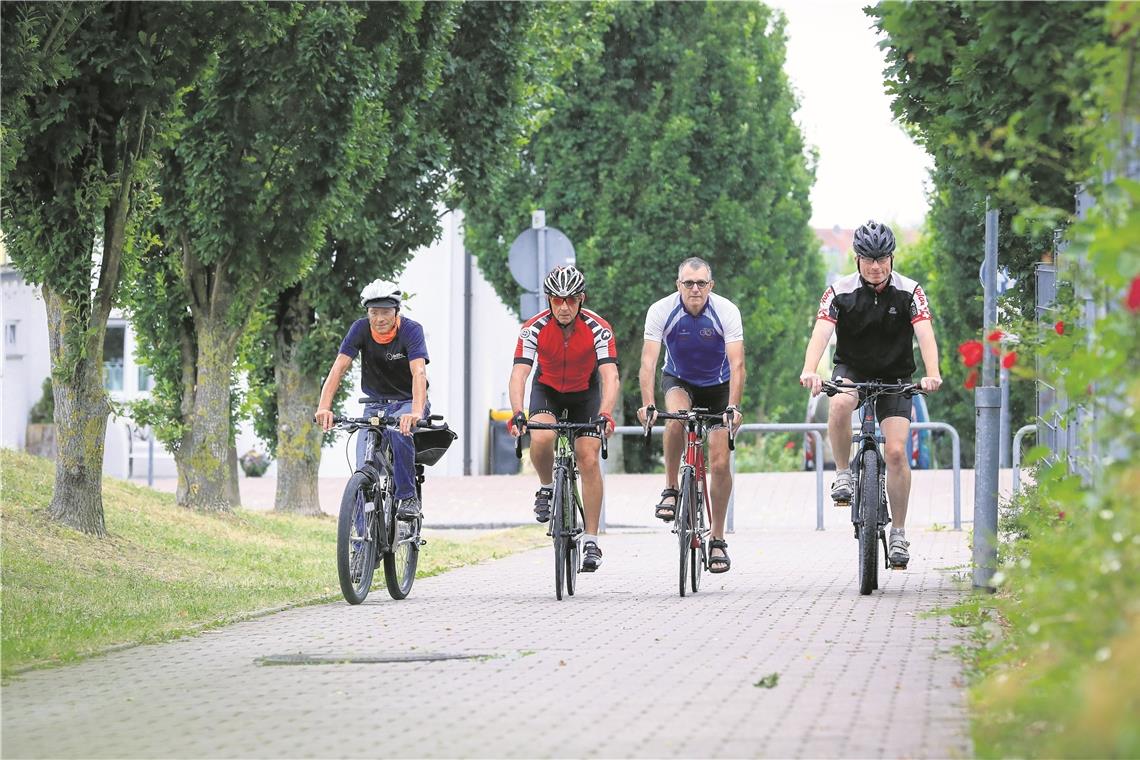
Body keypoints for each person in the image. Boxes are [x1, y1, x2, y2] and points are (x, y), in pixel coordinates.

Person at [798, 220, 942, 568]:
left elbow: (924, 333)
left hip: (896, 376)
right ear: (857, 259)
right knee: (841, 402)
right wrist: (809, 369)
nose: (876, 267)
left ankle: (899, 534)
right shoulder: (839, 291)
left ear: (891, 258)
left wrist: (932, 374)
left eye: (883, 259)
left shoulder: (910, 291)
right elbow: (821, 332)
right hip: (853, 370)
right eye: (868, 259)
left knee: (894, 452)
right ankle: (844, 473)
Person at [508, 265, 619, 572]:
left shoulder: (599, 328)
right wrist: (518, 412)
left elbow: (609, 375)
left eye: (571, 300)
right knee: (542, 436)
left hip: (585, 393)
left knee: (588, 457)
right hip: (548, 390)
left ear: (581, 299)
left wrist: (605, 412)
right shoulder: (533, 328)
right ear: (549, 301)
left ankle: (592, 539)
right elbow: (520, 374)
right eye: (558, 300)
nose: (564, 307)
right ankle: (546, 486)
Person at [638, 257, 745, 574]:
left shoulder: (725, 311)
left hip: (719, 386)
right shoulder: (661, 310)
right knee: (675, 418)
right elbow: (648, 363)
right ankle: (671, 488)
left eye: (701, 283)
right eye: (688, 283)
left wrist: (734, 407)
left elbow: (737, 364)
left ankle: (718, 538)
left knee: (721, 461)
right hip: (679, 380)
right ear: (678, 285)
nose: (695, 289)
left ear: (711, 286)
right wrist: (647, 404)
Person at [315, 279, 430, 521]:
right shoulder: (360, 329)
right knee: (362, 468)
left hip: (407, 401)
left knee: (401, 431)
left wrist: (416, 412)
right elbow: (338, 369)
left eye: (385, 312)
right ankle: (360, 542)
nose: (379, 318)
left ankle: (407, 498)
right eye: (373, 312)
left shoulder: (411, 330)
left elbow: (418, 373)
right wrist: (324, 407)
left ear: (396, 311)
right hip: (375, 404)